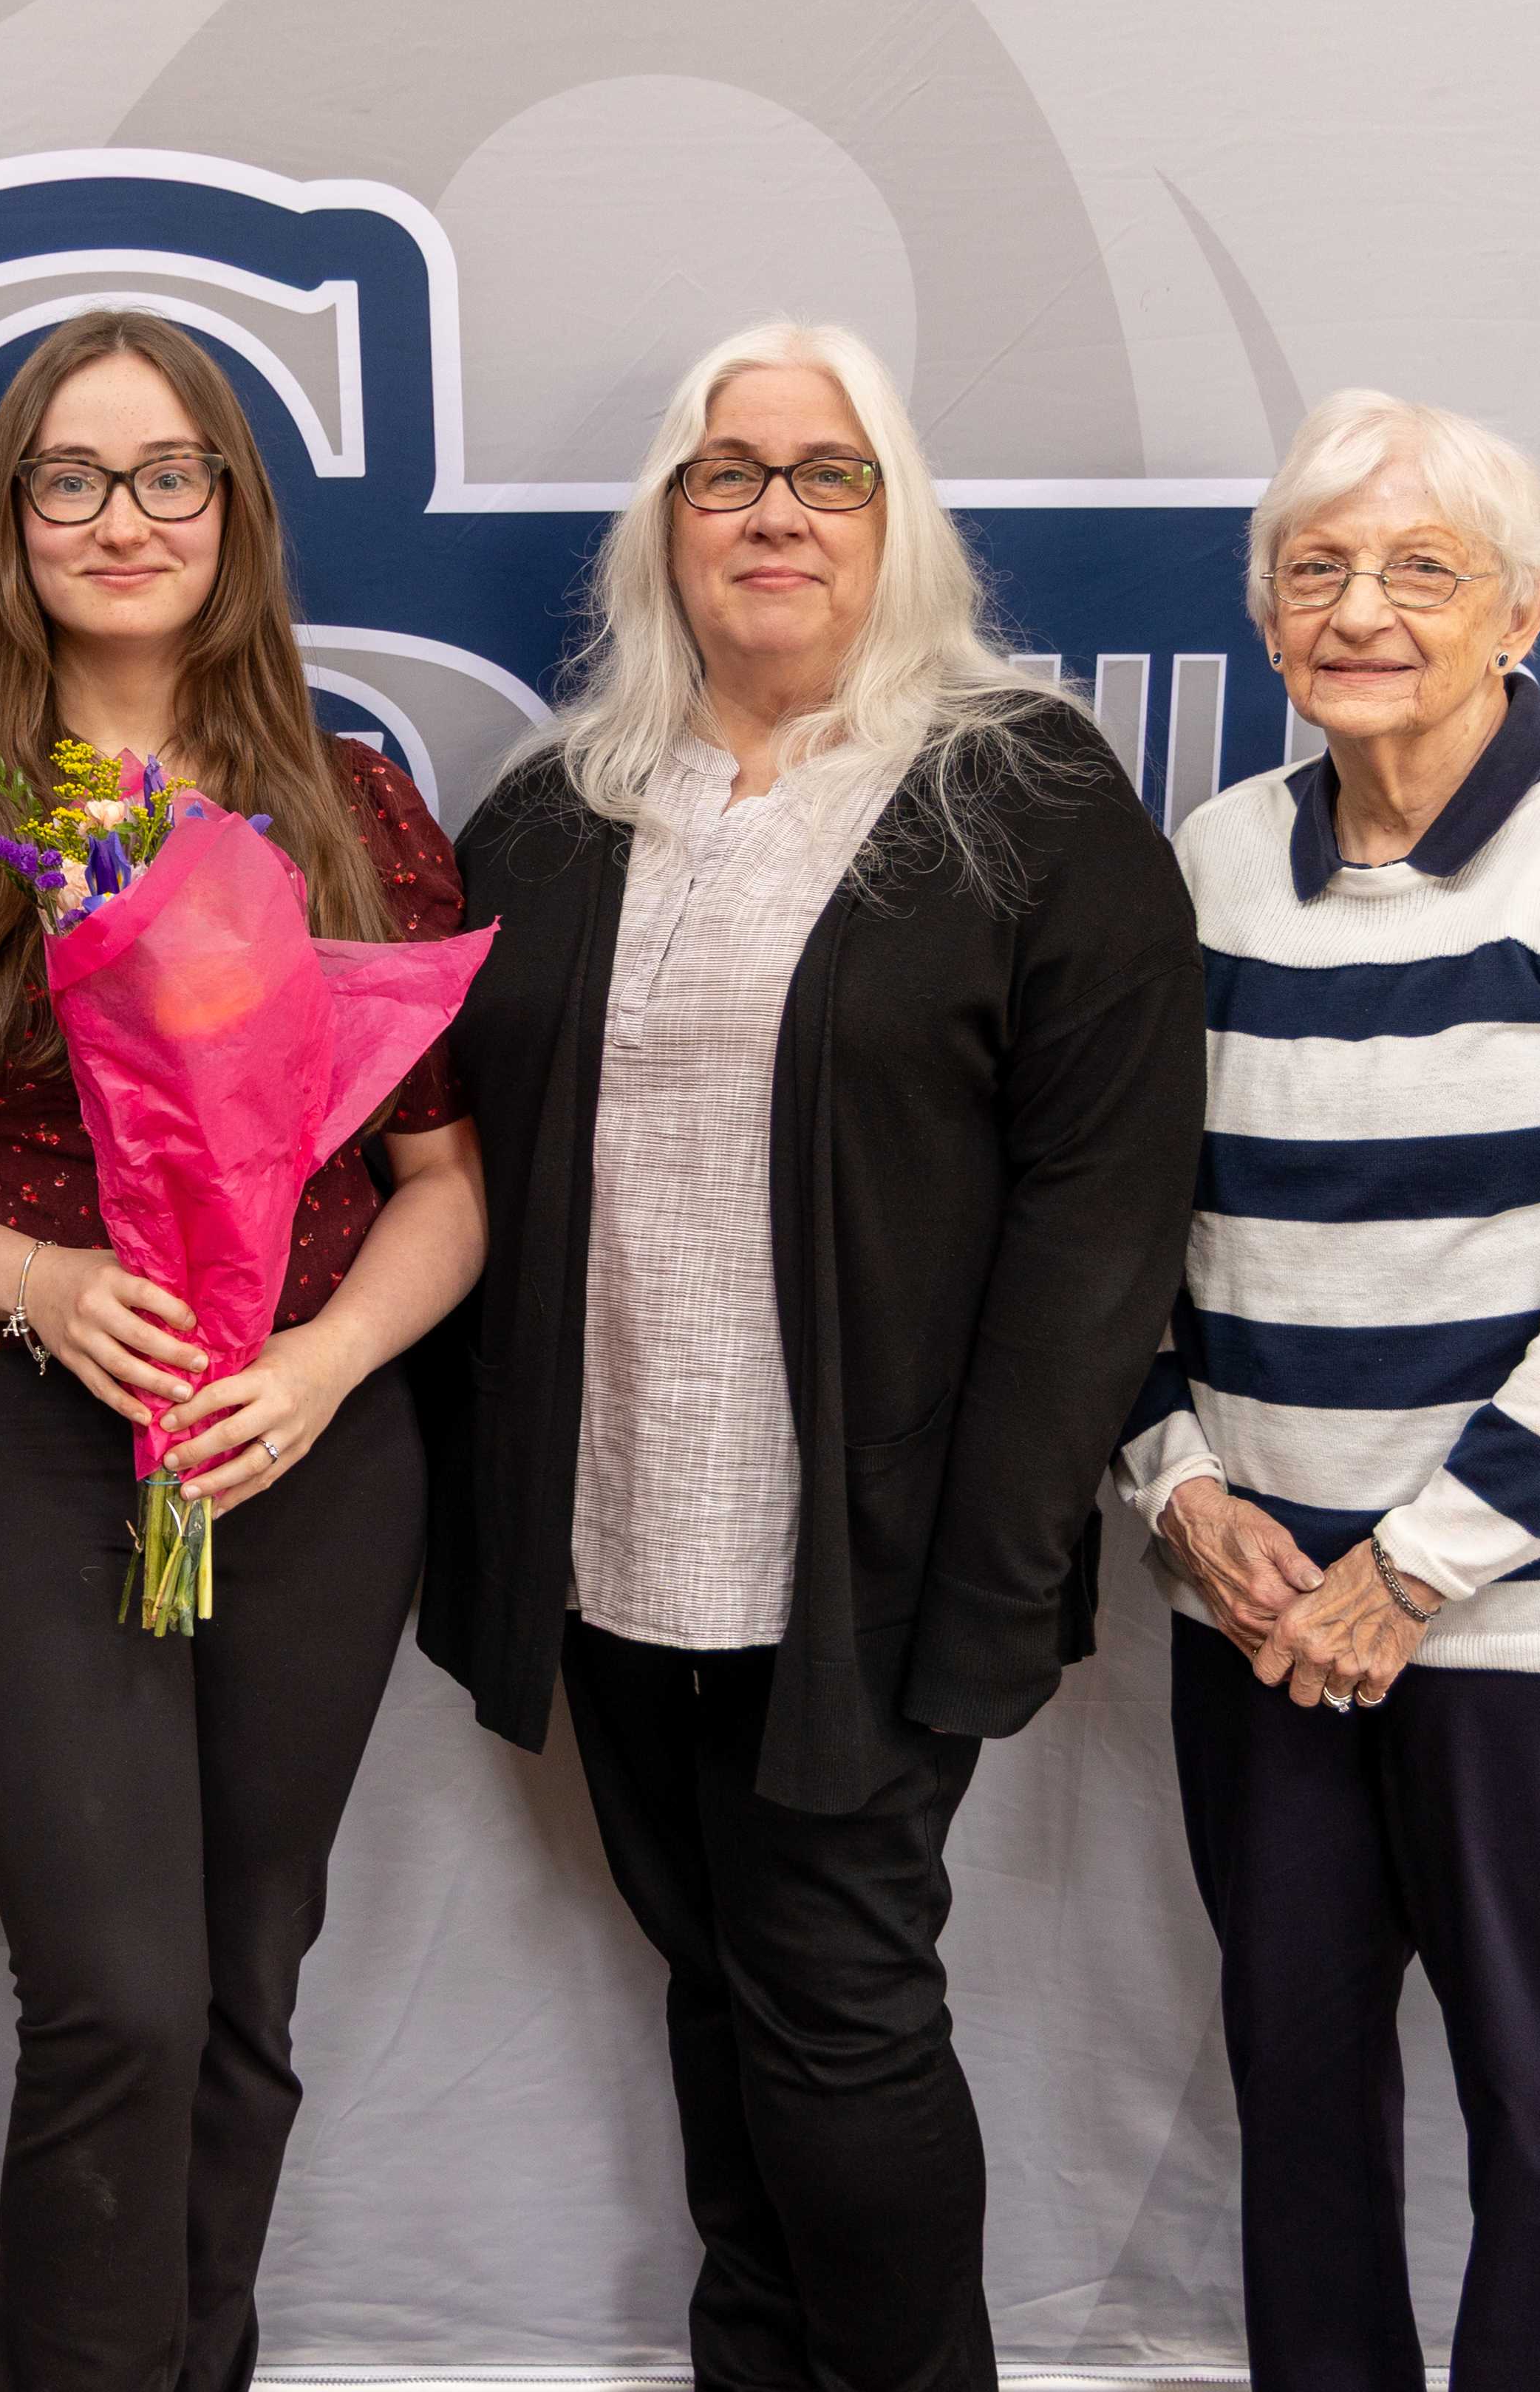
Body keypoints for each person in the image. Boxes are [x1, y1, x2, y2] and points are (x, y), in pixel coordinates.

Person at [421, 320, 1205, 2392]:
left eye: (824, 473)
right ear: (665, 533)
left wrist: (996, 1554)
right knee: (723, 1983)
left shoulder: (1018, 796)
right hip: (613, 1544)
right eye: (725, 473)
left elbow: (1098, 1213)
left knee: (835, 2004)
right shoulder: (558, 813)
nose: (772, 510)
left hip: (860, 1558)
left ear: (895, 523)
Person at [0, 308, 484, 2392]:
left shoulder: (349, 808)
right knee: (112, 1996)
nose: (120, 516)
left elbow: (447, 1186)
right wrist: (43, 1283)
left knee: (247, 1986)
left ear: (231, 513)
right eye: (70, 477)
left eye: (164, 471)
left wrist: (325, 1360)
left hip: (305, 1459)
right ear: (12, 525)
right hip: (28, 1440)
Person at [1117, 390, 1540, 2392]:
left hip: (1538, 1617)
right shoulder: (1212, 865)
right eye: (1312, 570)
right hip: (1255, 1606)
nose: (1360, 610)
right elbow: (1119, 1223)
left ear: (1526, 613)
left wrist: (1407, 1572)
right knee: (1296, 2108)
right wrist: (1172, 1488)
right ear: (1263, 621)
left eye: (1421, 569)